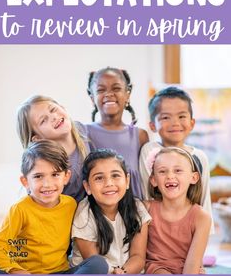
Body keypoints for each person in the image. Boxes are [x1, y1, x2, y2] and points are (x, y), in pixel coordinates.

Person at [0, 140, 108, 274]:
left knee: (98, 263)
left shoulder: (70, 204)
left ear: (66, 177)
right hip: (27, 273)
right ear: (25, 181)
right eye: (38, 176)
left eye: (55, 175)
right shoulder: (20, 209)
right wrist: (15, 270)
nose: (47, 184)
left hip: (60, 272)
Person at [139, 86, 213, 229]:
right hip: (157, 226)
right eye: (166, 117)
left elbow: (204, 201)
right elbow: (147, 193)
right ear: (152, 125)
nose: (175, 123)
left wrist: (204, 233)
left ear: (192, 123)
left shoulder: (199, 157)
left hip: (190, 227)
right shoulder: (150, 151)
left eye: (181, 116)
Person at [70, 148, 151, 274]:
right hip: (95, 272)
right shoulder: (84, 214)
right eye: (99, 178)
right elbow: (94, 263)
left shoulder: (137, 208)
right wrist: (113, 272)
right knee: (98, 265)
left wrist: (123, 272)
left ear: (127, 181)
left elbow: (138, 257)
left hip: (126, 272)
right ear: (87, 187)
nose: (108, 183)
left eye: (115, 175)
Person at [145, 146, 211, 274]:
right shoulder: (146, 209)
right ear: (153, 180)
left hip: (188, 268)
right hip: (157, 269)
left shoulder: (202, 217)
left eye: (178, 170)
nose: (170, 176)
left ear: (194, 177)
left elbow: (192, 264)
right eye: (162, 171)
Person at [86, 67, 149, 199]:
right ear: (92, 98)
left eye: (116, 88)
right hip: (97, 216)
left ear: (127, 94)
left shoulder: (140, 136)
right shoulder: (83, 133)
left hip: (135, 215)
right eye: (101, 90)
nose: (109, 94)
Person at [16, 95, 90, 201]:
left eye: (53, 109)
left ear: (62, 107)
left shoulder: (82, 130)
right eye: (43, 121)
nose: (54, 117)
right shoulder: (43, 167)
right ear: (38, 139)